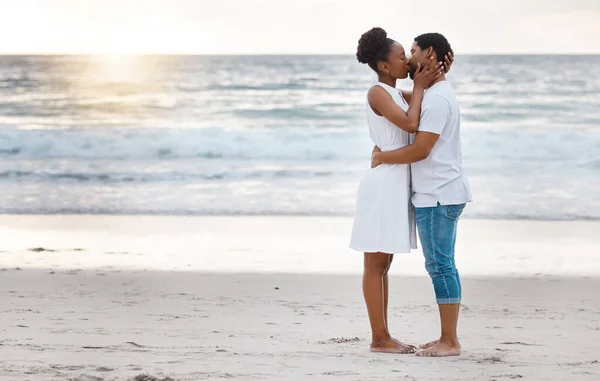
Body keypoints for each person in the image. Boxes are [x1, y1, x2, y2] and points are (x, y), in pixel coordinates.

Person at [371, 32, 472, 357]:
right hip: (439, 192)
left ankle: (450, 342)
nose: (410, 57)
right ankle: (447, 336)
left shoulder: (437, 99)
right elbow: (396, 98)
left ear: (428, 53)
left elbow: (421, 150)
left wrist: (381, 156)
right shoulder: (433, 93)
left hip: (438, 194)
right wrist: (426, 78)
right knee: (442, 265)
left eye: (413, 51)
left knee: (441, 266)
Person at [349, 27, 449, 354]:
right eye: (402, 57)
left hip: (394, 184)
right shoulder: (377, 92)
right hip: (382, 185)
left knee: (384, 265)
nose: (407, 61)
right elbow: (410, 124)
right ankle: (379, 339)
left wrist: (436, 70)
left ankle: (383, 335)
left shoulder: (395, 92)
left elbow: (424, 99)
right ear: (385, 67)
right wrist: (418, 86)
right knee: (374, 265)